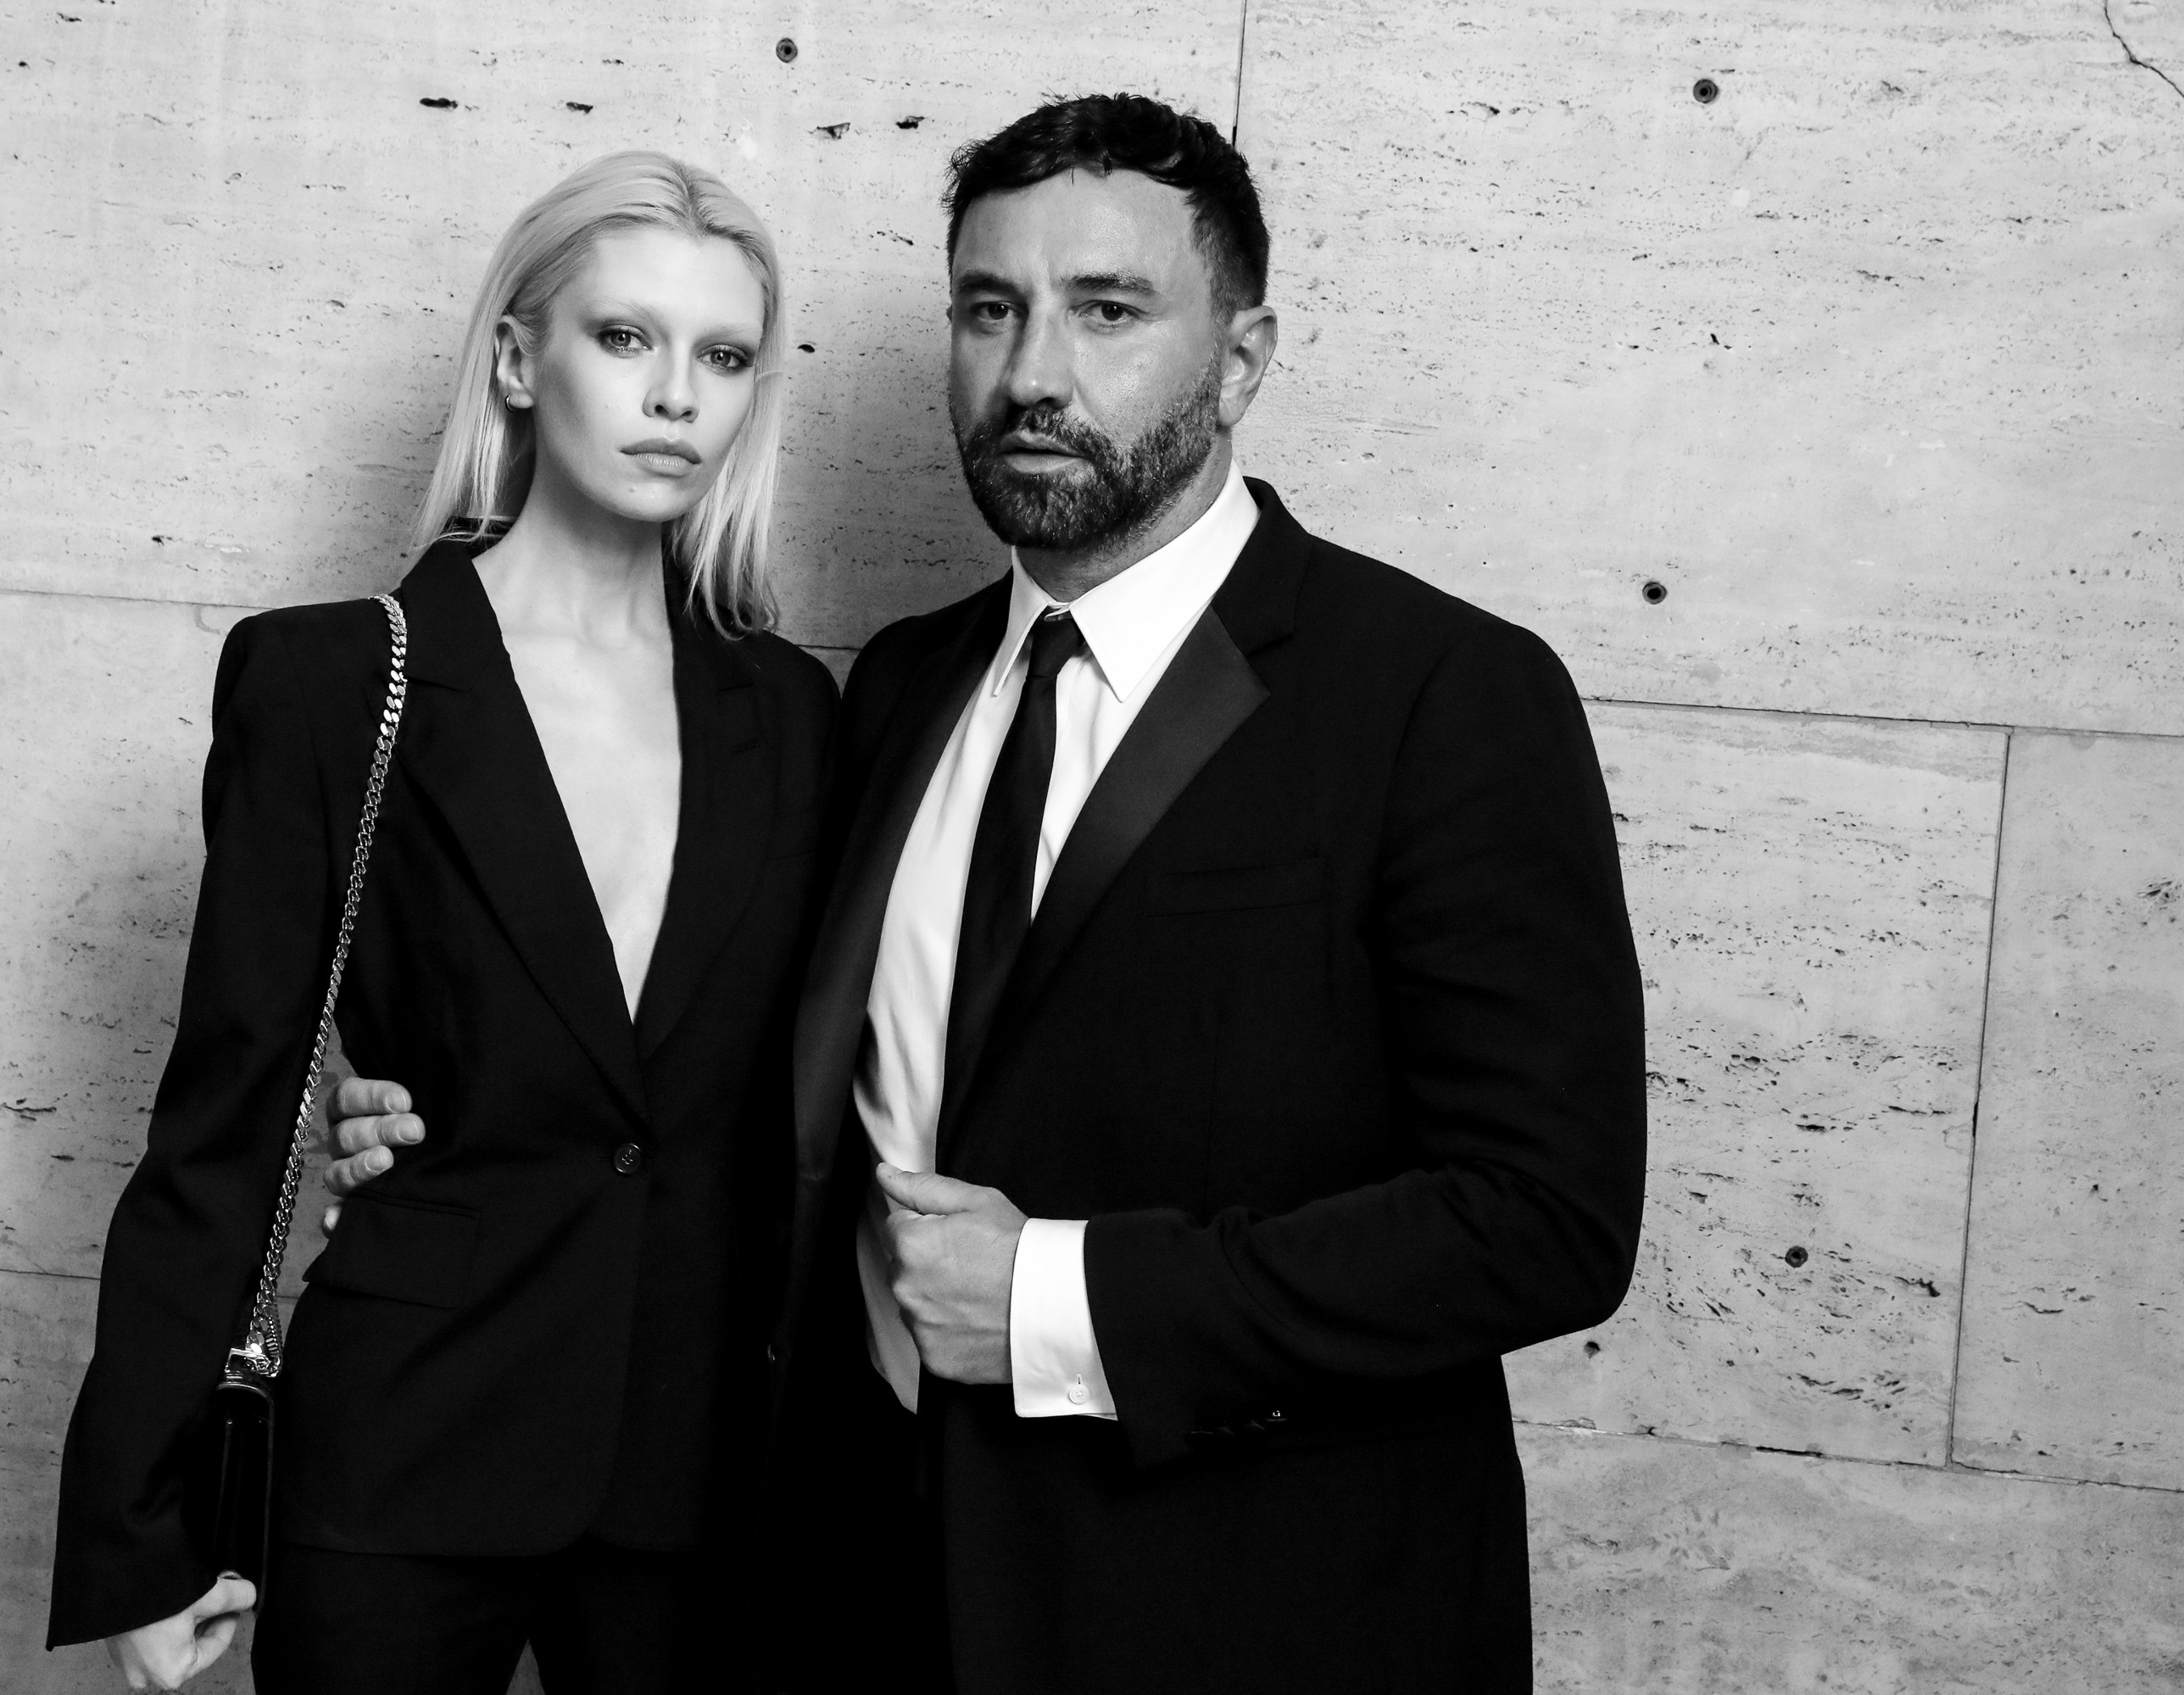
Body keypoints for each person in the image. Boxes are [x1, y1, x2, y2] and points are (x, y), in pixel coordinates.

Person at [330, 94, 1646, 1692]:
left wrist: (1055, 1297)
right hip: (858, 1596)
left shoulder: (1440, 695)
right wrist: (428, 1098)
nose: (1032, 373)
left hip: (1237, 1615)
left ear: (1242, 360)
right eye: (989, 309)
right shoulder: (896, 688)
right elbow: (712, 1057)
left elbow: (1546, 1218)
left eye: (1108, 311)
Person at [46, 150, 836, 1695]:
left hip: (692, 1479)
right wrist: (144, 1527)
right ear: (519, 360)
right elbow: (224, 1121)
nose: (677, 395)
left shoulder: (795, 715)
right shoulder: (335, 684)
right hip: (400, 1442)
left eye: (725, 356)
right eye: (626, 337)